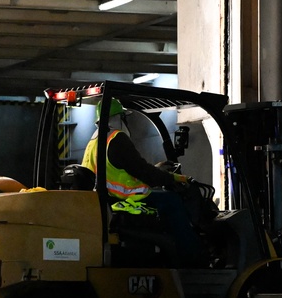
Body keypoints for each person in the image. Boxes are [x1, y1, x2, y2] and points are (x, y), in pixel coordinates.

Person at [82, 98, 203, 259]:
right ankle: (192, 257)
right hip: (124, 202)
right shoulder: (116, 138)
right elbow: (146, 175)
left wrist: (155, 170)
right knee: (173, 201)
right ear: (119, 118)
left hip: (108, 201)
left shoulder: (94, 141)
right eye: (125, 118)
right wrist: (174, 178)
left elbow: (132, 168)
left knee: (165, 199)